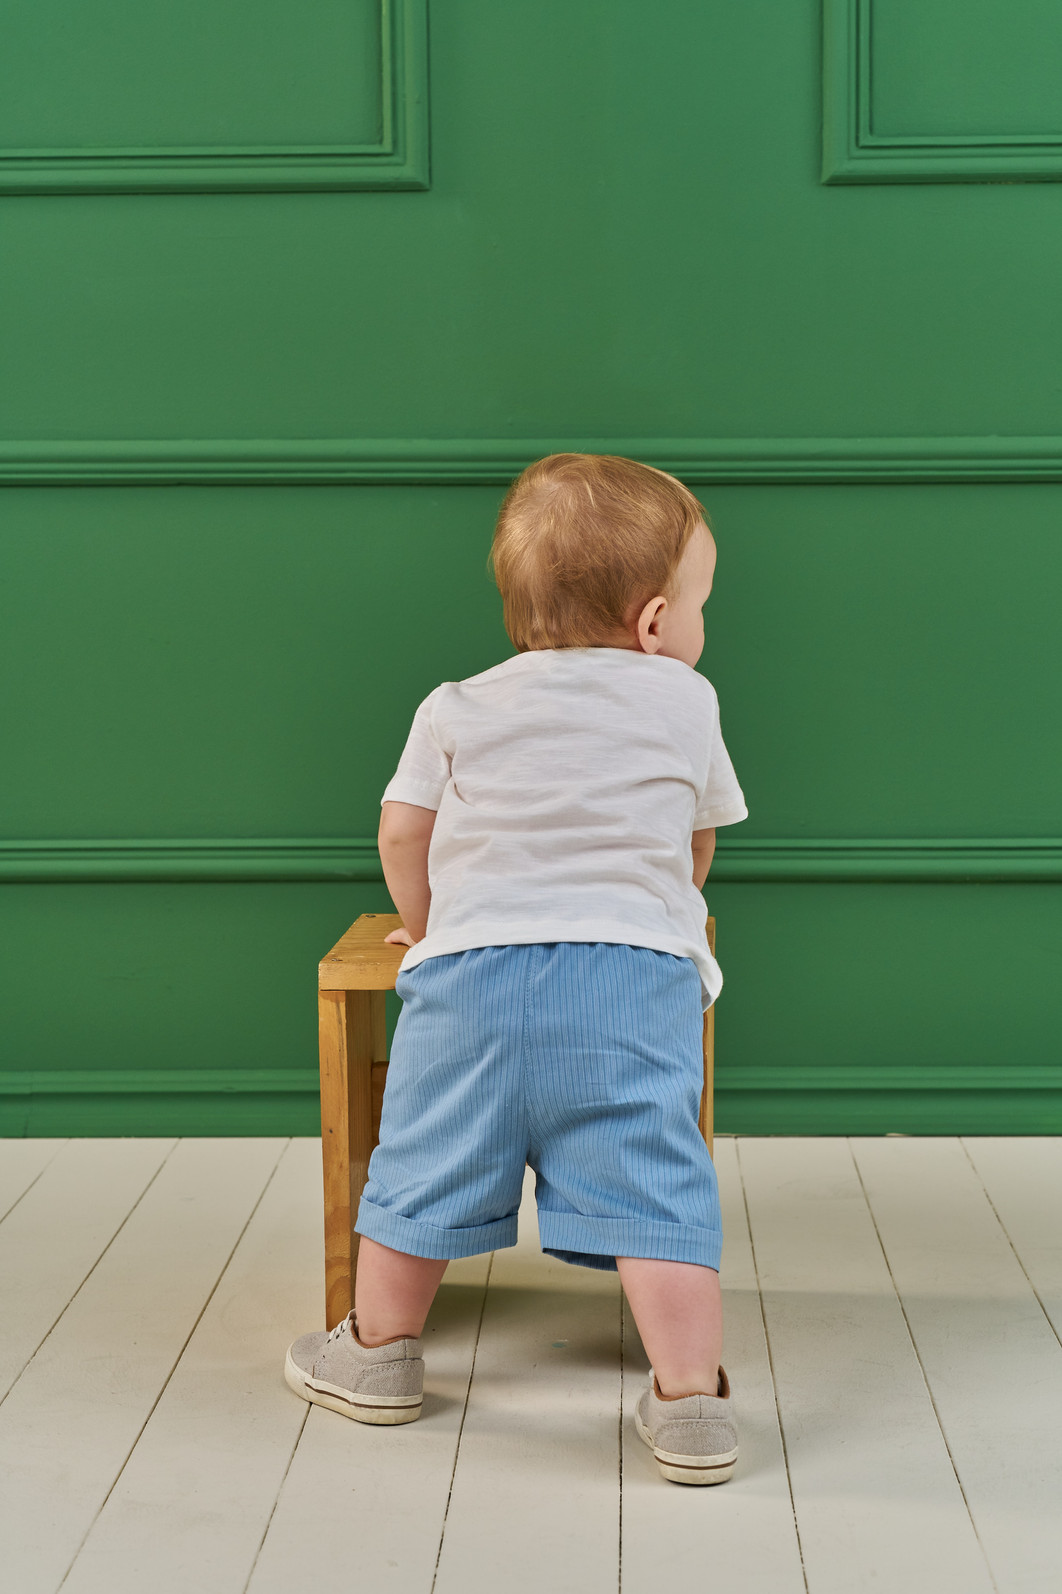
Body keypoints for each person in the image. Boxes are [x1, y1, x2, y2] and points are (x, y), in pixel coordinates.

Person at [285, 453, 748, 1485]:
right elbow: (695, 839)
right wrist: (672, 902)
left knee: (420, 1162)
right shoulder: (686, 701)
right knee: (661, 1186)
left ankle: (375, 1356)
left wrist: (430, 922)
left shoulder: (454, 704)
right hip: (632, 983)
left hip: (471, 983)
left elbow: (405, 829)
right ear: (656, 621)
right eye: (704, 604)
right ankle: (690, 1404)